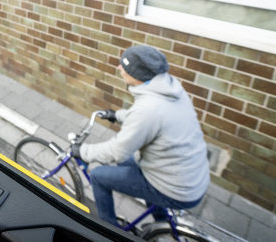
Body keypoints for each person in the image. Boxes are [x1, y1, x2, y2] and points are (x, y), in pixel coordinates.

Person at [71, 45, 210, 227]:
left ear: (136, 74)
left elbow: (117, 151)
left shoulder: (148, 109)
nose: (119, 68)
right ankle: (161, 225)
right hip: (190, 176)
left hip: (176, 189)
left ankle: (109, 230)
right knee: (128, 161)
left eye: (124, 65)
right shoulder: (169, 89)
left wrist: (83, 151)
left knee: (98, 175)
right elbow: (150, 120)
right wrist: (117, 115)